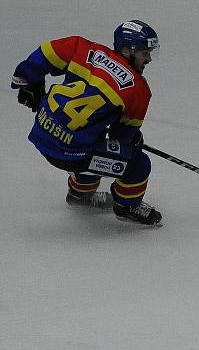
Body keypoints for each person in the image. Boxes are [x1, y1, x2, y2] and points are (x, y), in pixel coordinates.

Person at [11, 20, 162, 226]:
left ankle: (80, 197)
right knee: (138, 163)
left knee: (93, 141)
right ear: (127, 50)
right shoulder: (139, 90)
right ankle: (127, 206)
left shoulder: (82, 47)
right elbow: (122, 136)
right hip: (72, 154)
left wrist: (27, 81)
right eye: (145, 53)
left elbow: (46, 53)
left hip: (42, 131)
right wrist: (134, 141)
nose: (149, 59)